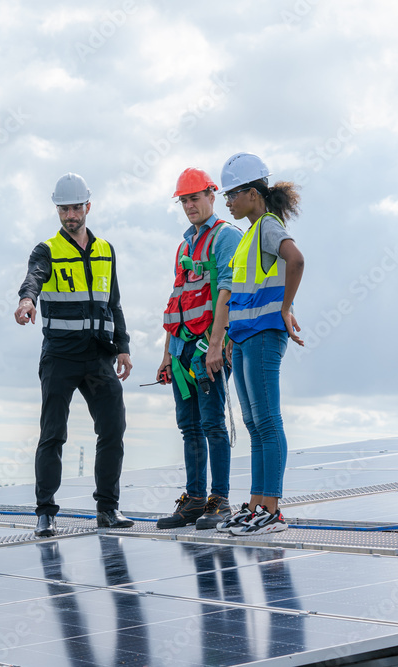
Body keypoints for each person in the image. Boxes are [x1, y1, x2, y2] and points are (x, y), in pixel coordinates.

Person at [14, 172, 135, 536]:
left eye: (76, 208)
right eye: (64, 209)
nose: (70, 215)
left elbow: (113, 302)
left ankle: (108, 509)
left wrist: (124, 347)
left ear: (88, 207)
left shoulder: (105, 251)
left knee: (113, 429)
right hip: (60, 356)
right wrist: (26, 300)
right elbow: (34, 277)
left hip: (98, 357)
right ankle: (46, 512)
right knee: (53, 434)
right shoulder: (46, 250)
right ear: (57, 210)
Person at [214, 153, 305, 535]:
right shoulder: (248, 236)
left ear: (252, 193)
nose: (228, 202)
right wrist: (231, 335)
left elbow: (296, 259)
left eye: (232, 194)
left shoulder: (267, 226)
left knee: (268, 421)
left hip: (266, 335)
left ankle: (272, 509)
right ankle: (256, 505)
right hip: (246, 337)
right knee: (254, 423)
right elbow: (239, 295)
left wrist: (285, 308)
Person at [155, 168, 243, 530]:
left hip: (209, 346)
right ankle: (193, 499)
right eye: (184, 200)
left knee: (211, 424)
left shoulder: (226, 236)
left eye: (195, 197)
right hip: (181, 350)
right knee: (188, 426)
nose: (190, 205)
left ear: (212, 195)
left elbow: (227, 290)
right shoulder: (185, 245)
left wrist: (216, 346)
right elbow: (177, 301)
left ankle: (219, 500)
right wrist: (166, 355)